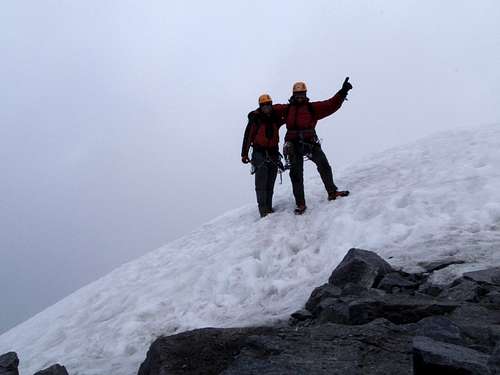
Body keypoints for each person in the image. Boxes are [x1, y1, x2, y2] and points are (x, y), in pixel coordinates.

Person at [274, 78, 353, 215]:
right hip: (293, 146)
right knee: (296, 174)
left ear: (305, 94)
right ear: (293, 95)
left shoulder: (312, 108)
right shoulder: (287, 109)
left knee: (324, 165)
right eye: (297, 95)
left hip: (310, 143)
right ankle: (301, 204)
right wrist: (257, 112)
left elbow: (330, 104)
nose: (300, 97)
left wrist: (343, 92)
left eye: (302, 94)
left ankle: (332, 192)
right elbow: (269, 109)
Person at [241, 94, 286, 217]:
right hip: (259, 153)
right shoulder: (256, 119)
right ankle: (263, 210)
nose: (266, 107)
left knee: (270, 181)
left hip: (273, 153)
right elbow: (248, 136)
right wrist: (244, 154)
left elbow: (286, 113)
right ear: (260, 107)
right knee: (261, 183)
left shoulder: (275, 118)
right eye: (264, 105)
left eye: (268, 105)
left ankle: (268, 208)